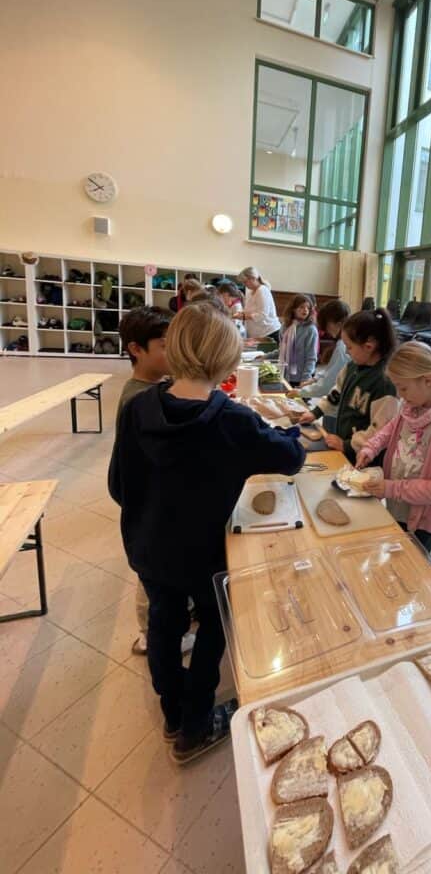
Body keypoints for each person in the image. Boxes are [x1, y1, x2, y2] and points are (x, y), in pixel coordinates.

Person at [108, 302, 305, 763]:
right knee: (214, 626)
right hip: (205, 554)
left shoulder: (137, 408)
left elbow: (118, 486)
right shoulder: (232, 420)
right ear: (228, 359)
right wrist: (291, 433)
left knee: (164, 623)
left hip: (148, 546)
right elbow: (291, 458)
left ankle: (173, 713)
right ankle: (196, 724)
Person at [116, 305, 196, 657]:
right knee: (153, 579)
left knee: (160, 575)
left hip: (157, 505)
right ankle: (150, 635)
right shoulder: (139, 400)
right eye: (165, 346)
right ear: (136, 349)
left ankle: (166, 625)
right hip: (153, 507)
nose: (174, 353)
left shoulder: (154, 388)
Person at [355, 341, 431, 548]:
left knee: (410, 562)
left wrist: (390, 488)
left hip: (422, 521)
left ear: (427, 381)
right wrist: (371, 447)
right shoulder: (410, 407)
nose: (400, 395)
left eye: (403, 388)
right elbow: (391, 428)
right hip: (397, 507)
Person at [296, 308, 398, 460]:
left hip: (364, 458)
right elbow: (336, 393)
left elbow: (380, 430)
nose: (347, 352)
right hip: (345, 447)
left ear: (368, 346)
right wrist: (316, 412)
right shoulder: (352, 367)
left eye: (349, 347)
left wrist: (348, 445)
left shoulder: (385, 383)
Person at [299, 299, 351, 407]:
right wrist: (315, 379)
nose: (327, 330)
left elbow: (328, 384)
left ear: (339, 324)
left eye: (327, 325)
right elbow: (332, 369)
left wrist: (301, 392)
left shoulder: (343, 346)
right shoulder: (342, 343)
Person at [278, 293, 318, 388]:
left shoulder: (310, 330)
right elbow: (282, 350)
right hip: (284, 374)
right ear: (293, 309)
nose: (305, 310)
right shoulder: (285, 327)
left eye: (308, 308)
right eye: (301, 307)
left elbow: (311, 357)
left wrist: (305, 379)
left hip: (301, 378)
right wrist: (265, 356)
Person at [239, 267, 280, 342]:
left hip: (269, 333)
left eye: (245, 282)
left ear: (253, 278)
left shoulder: (262, 290)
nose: (244, 284)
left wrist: (244, 316)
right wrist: (241, 313)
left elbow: (262, 315)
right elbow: (249, 311)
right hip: (258, 334)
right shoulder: (250, 292)